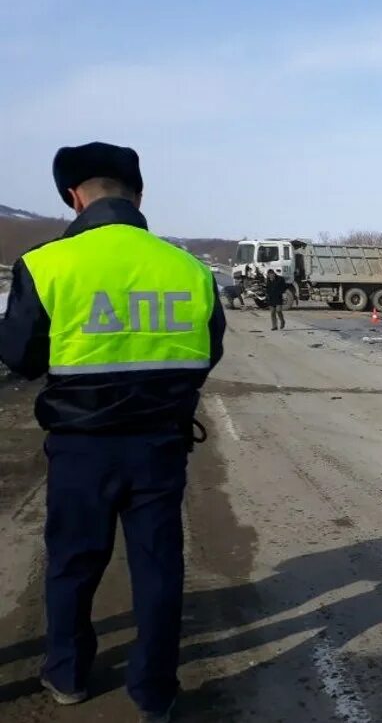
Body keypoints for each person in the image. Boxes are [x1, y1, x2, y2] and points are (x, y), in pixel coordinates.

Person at [0, 142, 225, 723]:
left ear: (74, 197)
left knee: (73, 564)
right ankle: (154, 691)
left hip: (81, 448)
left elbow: (20, 358)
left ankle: (68, 674)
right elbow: (207, 353)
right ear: (139, 195)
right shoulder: (190, 270)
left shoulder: (46, 265)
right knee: (157, 564)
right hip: (160, 445)